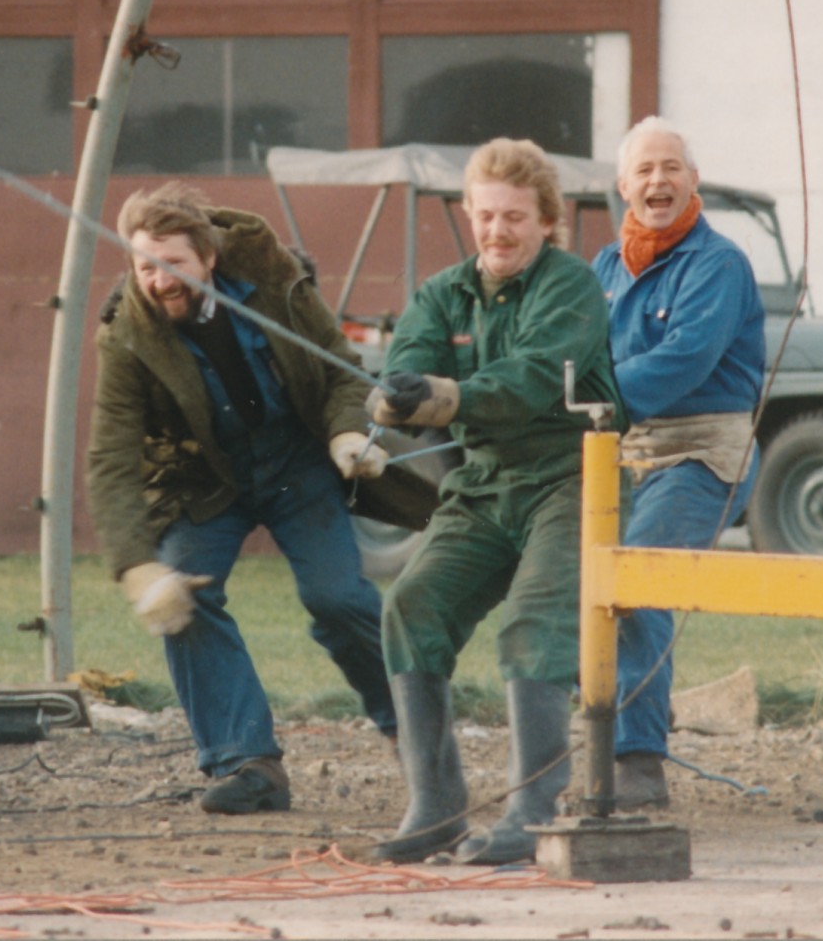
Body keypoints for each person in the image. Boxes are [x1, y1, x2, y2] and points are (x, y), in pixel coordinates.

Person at [86, 183, 404, 815]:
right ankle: (246, 761)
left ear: (208, 256)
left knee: (337, 598)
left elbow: (340, 366)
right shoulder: (125, 336)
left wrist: (346, 432)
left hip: (297, 460)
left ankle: (415, 727)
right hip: (207, 480)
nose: (158, 281)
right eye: (145, 266)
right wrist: (138, 567)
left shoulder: (274, 279)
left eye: (173, 263)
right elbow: (110, 457)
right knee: (185, 599)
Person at [369, 139, 623, 866]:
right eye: (485, 215)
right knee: (411, 604)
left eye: (514, 216)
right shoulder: (441, 294)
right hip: (482, 483)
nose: (498, 230)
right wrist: (393, 394)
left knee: (532, 623)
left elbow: (530, 378)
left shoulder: (570, 286)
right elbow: (405, 364)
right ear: (467, 215)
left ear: (546, 219)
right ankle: (436, 807)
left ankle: (532, 814)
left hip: (574, 477)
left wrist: (445, 396)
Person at [592, 117, 767, 811]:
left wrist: (594, 393)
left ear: (692, 180)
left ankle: (637, 758)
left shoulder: (716, 263)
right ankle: (586, 733)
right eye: (644, 170)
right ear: (622, 187)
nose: (657, 181)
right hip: (620, 448)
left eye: (671, 167)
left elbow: (685, 360)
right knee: (566, 577)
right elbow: (567, 351)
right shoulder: (604, 268)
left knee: (637, 581)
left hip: (702, 450)